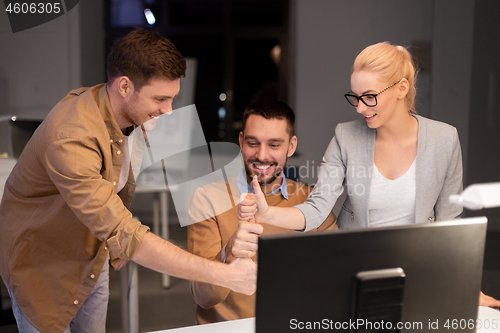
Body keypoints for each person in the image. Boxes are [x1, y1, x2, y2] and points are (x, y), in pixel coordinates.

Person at [0, 28, 256, 333]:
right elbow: (127, 234)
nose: (168, 110)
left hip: (91, 254)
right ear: (124, 86)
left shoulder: (118, 108)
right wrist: (225, 275)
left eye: (171, 98)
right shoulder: (71, 138)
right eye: (160, 98)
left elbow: (115, 197)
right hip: (41, 264)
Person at [238, 42, 500, 308]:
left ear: (401, 88)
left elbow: (449, 223)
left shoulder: (445, 138)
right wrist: (267, 214)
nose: (360, 108)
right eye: (355, 97)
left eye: (369, 96)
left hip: (418, 272)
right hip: (354, 272)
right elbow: (318, 207)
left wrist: (468, 287)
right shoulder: (345, 136)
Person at [187, 99, 337, 324]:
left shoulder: (313, 202)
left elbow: (336, 282)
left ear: (292, 146)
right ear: (240, 141)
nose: (262, 155)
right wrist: (228, 253)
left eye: (274, 145)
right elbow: (204, 298)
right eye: (253, 142)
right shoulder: (207, 198)